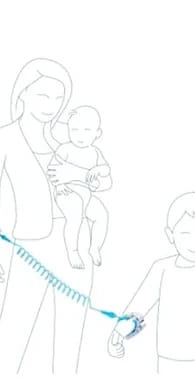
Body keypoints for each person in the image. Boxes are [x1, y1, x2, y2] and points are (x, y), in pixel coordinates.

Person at [0, 59, 112, 373]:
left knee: (69, 344)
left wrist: (82, 173)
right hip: (31, 245)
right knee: (11, 338)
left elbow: (103, 181)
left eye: (57, 98)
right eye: (43, 96)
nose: (51, 106)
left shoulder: (74, 136)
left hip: (76, 243)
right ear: (22, 94)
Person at [107, 193, 195, 372]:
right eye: (185, 233)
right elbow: (140, 304)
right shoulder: (161, 268)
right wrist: (119, 331)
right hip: (168, 359)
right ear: (170, 235)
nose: (194, 242)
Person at [48, 106, 110, 268]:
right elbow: (53, 169)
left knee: (101, 216)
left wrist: (98, 169)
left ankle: (95, 247)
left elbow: (106, 169)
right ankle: (73, 251)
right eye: (74, 130)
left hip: (86, 193)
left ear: (97, 133)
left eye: (86, 130)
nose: (80, 135)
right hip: (66, 191)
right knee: (74, 216)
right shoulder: (65, 149)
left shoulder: (95, 152)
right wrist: (59, 184)